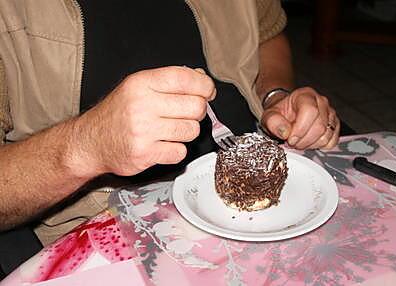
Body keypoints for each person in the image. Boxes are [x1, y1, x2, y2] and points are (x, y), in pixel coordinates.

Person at [0, 0, 340, 246]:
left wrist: (275, 96)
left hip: (266, 206)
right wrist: (85, 145)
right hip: (112, 226)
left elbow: (267, 32)